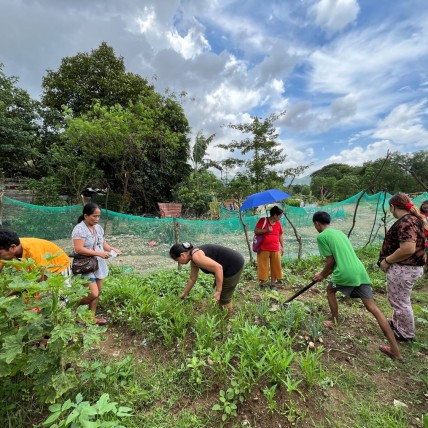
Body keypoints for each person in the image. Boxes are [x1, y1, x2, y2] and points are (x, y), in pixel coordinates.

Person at [311, 211, 403, 362]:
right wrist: (324, 274)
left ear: (317, 223)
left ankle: (334, 321)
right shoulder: (339, 233)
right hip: (360, 271)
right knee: (374, 309)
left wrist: (321, 275)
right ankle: (396, 352)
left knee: (330, 290)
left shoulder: (322, 236)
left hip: (345, 273)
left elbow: (331, 261)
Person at [379, 194, 426, 342]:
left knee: (400, 302)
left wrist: (387, 261)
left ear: (393, 207)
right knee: (398, 298)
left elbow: (408, 248)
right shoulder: (414, 220)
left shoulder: (406, 222)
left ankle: (405, 333)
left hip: (404, 268)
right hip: (409, 268)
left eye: (390, 208)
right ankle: (397, 324)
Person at [72, 203, 121, 325]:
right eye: (94, 216)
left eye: (98, 216)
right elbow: (79, 249)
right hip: (85, 264)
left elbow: (102, 244)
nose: (97, 219)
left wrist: (112, 249)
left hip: (98, 263)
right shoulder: (79, 229)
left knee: (98, 292)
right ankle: (71, 307)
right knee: (93, 293)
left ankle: (91, 317)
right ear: (86, 216)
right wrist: (98, 253)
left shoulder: (98, 228)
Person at [169, 242, 244, 314]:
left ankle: (228, 322)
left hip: (233, 266)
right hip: (227, 266)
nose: (178, 262)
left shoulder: (196, 256)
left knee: (224, 300)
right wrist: (184, 294)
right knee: (220, 298)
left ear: (182, 255)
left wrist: (218, 291)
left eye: (177, 260)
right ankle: (223, 315)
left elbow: (218, 268)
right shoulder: (194, 259)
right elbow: (192, 278)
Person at [0, 229, 70, 286]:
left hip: (58, 266)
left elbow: (41, 279)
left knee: (61, 296)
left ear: (13, 247)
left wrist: (11, 294)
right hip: (39, 273)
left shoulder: (33, 251)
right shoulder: (6, 250)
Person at [254, 205, 284, 290]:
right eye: (280, 216)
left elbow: (280, 235)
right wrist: (266, 230)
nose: (280, 217)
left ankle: (273, 284)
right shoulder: (263, 220)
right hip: (263, 248)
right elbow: (256, 231)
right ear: (275, 215)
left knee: (275, 266)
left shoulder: (278, 223)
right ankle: (263, 283)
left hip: (275, 248)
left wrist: (282, 247)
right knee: (263, 266)